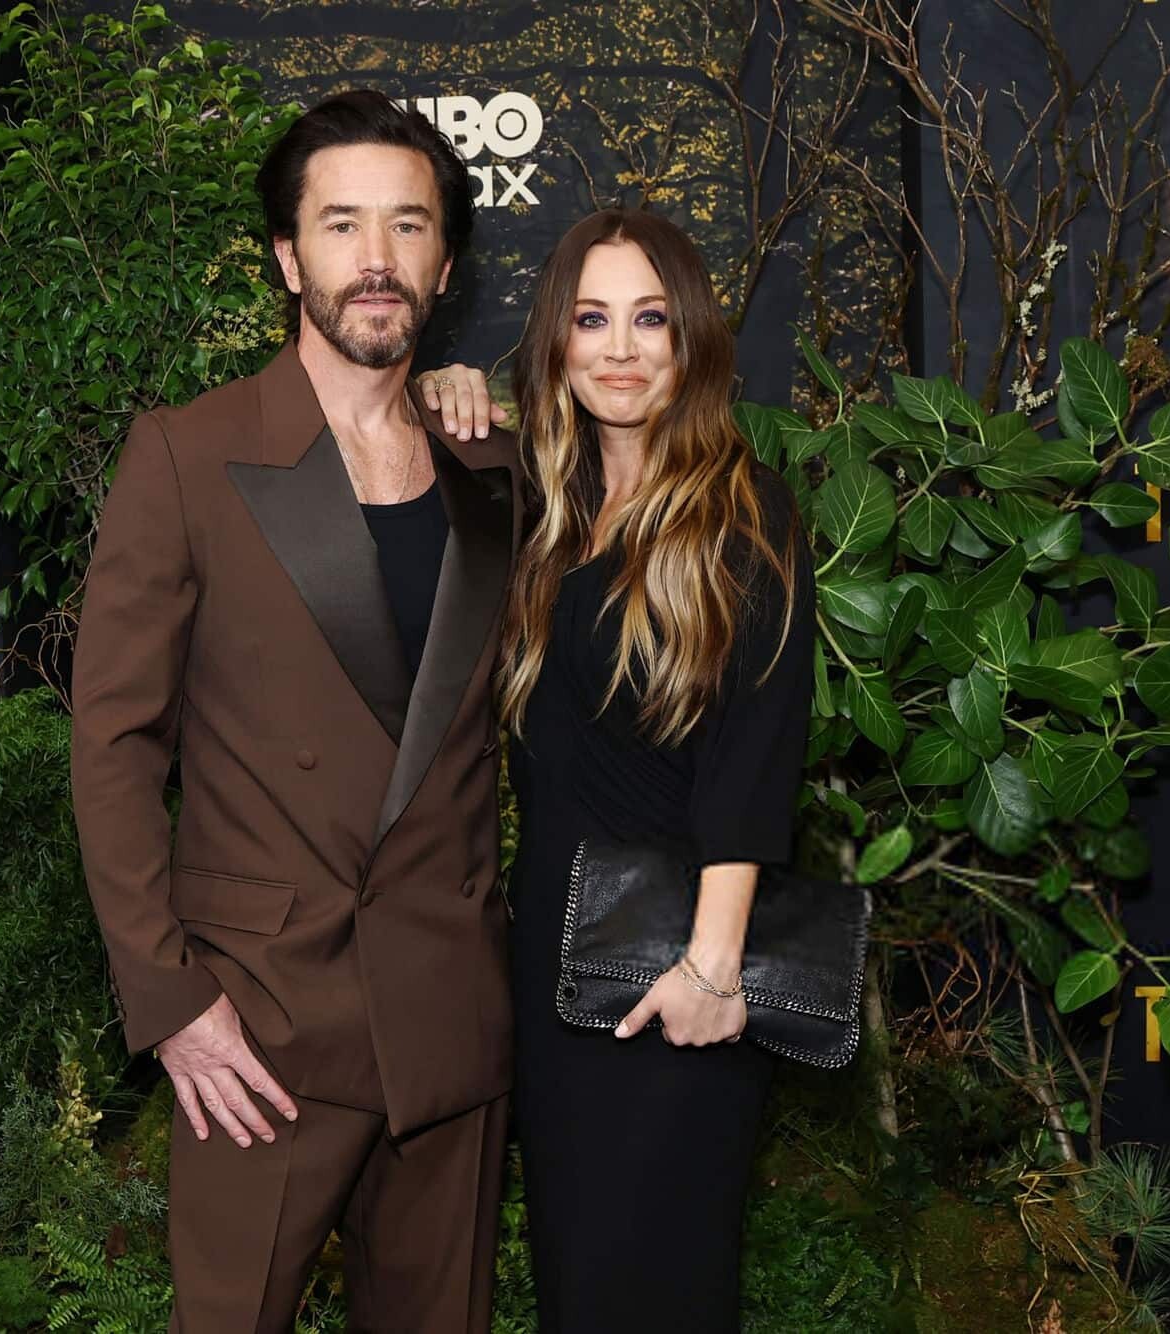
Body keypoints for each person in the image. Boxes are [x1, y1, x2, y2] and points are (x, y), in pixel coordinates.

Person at [70, 91, 520, 1332]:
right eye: (340, 224)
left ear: (444, 262)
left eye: (407, 225)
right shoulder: (188, 454)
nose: (375, 258)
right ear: (286, 257)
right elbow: (112, 747)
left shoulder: (491, 466)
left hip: (447, 1017)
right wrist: (170, 999)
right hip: (258, 1028)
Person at [421, 208, 815, 1332]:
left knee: (662, 1290)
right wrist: (441, 390)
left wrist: (713, 970)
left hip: (675, 979)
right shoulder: (549, 514)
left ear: (691, 340)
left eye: (651, 319)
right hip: (552, 974)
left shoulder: (745, 512)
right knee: (578, 1288)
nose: (622, 349)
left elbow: (757, 756)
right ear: (555, 340)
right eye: (591, 320)